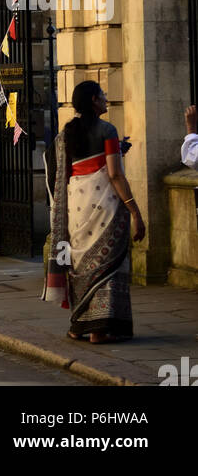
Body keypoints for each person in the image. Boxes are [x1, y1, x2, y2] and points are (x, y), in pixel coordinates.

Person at [42, 81, 145, 343]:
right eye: (102, 96)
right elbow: (114, 175)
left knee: (81, 263)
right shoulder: (107, 130)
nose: (106, 99)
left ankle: (78, 326)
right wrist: (135, 211)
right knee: (106, 264)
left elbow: (59, 170)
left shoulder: (67, 133)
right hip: (104, 205)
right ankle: (98, 329)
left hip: (76, 205)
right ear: (93, 101)